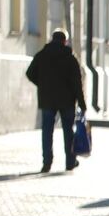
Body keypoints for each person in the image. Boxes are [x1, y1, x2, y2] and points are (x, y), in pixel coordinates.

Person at [25, 29, 87, 173]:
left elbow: (30, 73)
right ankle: (70, 162)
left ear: (52, 39)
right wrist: (82, 103)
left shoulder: (42, 55)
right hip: (67, 101)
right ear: (65, 41)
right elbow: (77, 83)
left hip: (47, 99)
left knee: (47, 131)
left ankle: (47, 162)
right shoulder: (70, 58)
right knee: (68, 132)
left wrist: (42, 84)